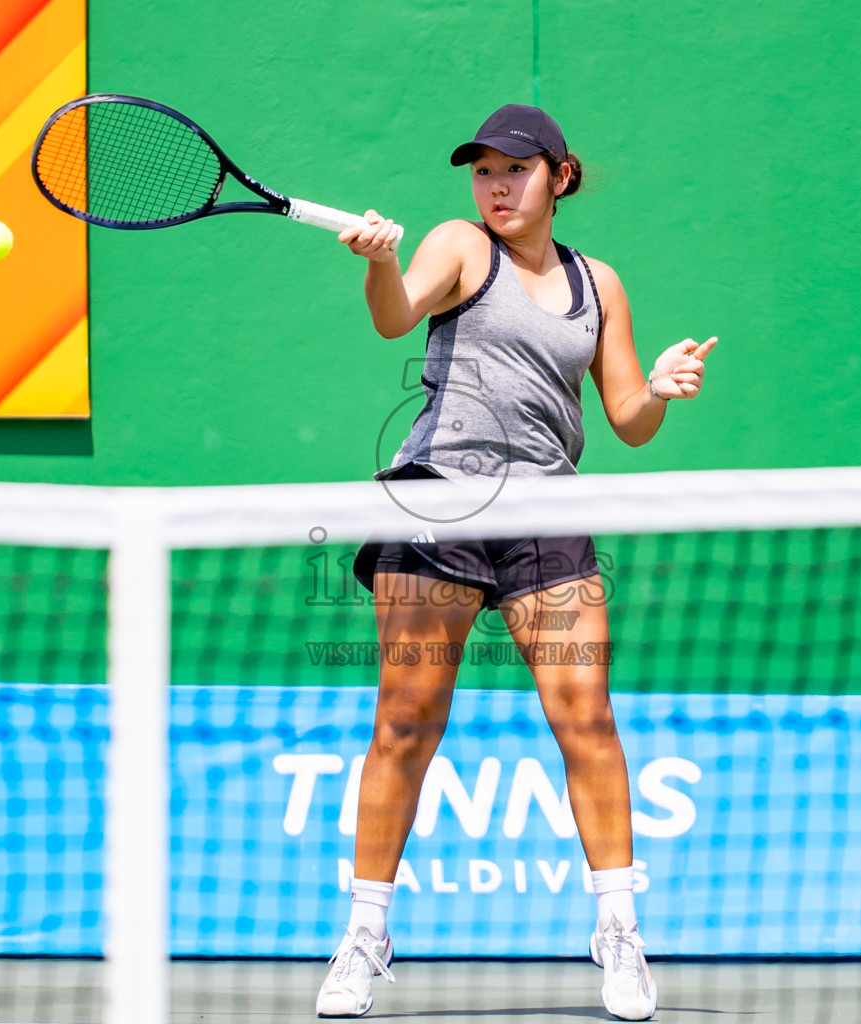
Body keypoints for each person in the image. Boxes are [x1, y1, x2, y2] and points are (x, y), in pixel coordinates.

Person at [315, 104, 717, 1021]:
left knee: (588, 715)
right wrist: (382, 261)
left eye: (516, 171)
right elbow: (394, 319)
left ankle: (618, 931)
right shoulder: (460, 244)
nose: (497, 186)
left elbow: (627, 420)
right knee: (407, 719)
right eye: (484, 171)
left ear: (559, 177)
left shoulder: (598, 283)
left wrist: (658, 388)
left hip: (548, 510)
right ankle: (365, 934)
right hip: (440, 497)